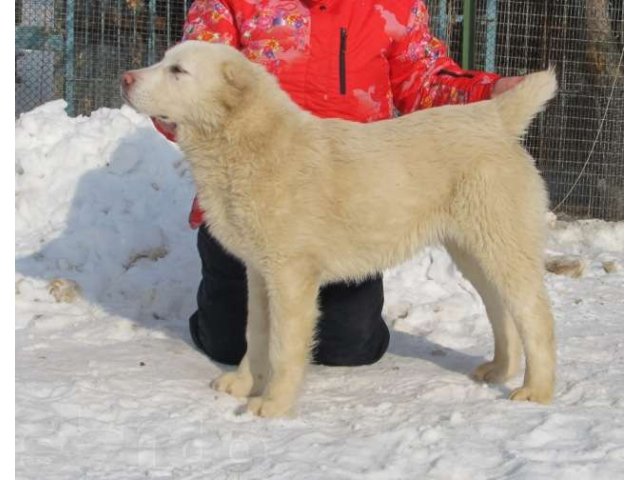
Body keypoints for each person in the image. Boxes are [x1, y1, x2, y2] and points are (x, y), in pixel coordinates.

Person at [152, 0, 522, 367]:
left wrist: (488, 93)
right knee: (230, 344)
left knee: (349, 347)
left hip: (346, 207)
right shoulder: (229, 5)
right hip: (251, 203)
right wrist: (172, 111)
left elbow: (424, 81)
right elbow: (188, 77)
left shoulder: (393, 7)